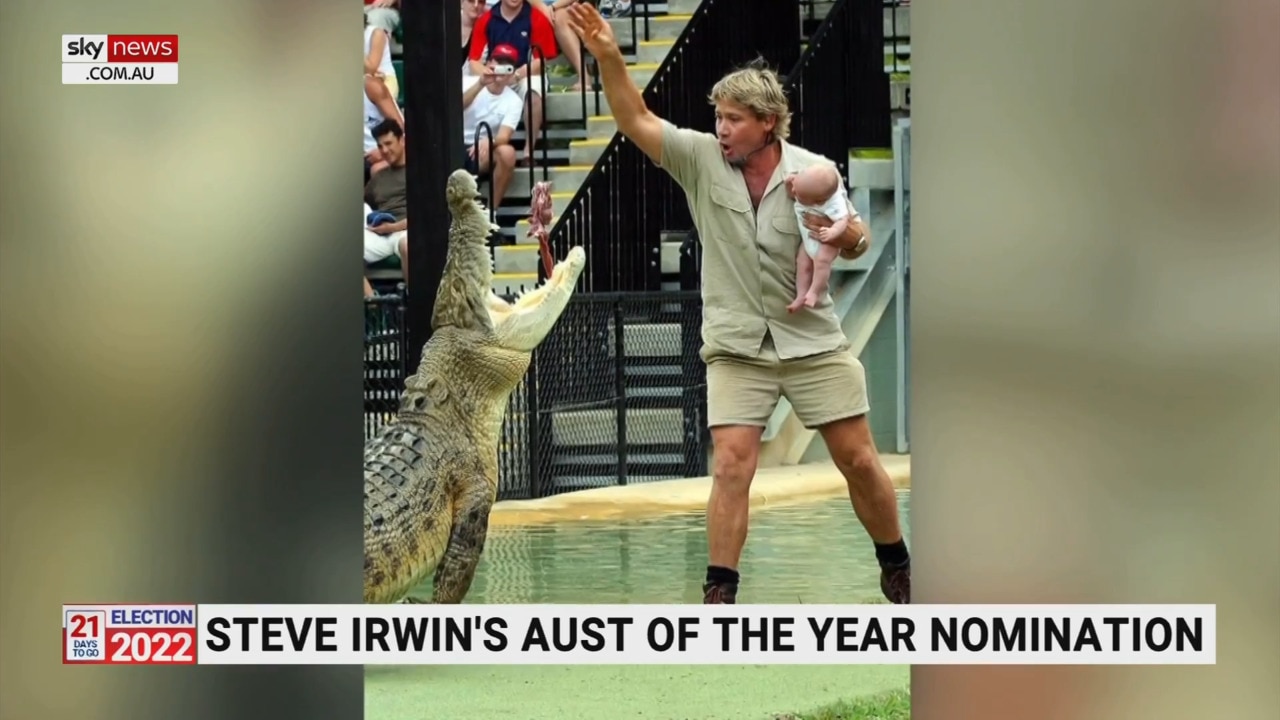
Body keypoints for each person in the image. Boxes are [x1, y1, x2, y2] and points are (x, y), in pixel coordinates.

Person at [563, 3, 911, 605]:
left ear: (768, 122)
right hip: (736, 346)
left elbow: (857, 238)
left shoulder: (814, 171)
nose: (721, 128)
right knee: (730, 464)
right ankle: (719, 593)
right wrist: (609, 57)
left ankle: (897, 564)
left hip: (811, 340)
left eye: (734, 119)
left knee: (857, 458)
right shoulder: (699, 158)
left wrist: (844, 237)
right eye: (718, 117)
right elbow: (634, 117)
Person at [462, 44, 524, 209]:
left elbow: (505, 135)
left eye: (507, 65)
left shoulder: (514, 101)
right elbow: (455, 108)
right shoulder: (467, 81)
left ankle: (491, 213)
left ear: (511, 72)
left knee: (507, 153)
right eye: (498, 63)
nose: (501, 69)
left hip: (480, 150)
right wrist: (480, 84)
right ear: (489, 64)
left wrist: (490, 141)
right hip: (454, 142)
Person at [785, 163, 849, 312]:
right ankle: (801, 294)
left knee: (822, 262)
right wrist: (790, 184)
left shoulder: (834, 202)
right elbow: (791, 194)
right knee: (802, 263)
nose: (794, 192)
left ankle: (814, 291)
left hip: (827, 241)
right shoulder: (804, 185)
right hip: (809, 237)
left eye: (798, 193)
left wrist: (833, 232)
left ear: (819, 201)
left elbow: (842, 220)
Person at [363, 119, 409, 283]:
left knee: (408, 246)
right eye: (380, 146)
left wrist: (394, 227)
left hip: (407, 231)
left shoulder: (418, 171)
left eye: (389, 143)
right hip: (382, 233)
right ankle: (372, 301)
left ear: (402, 140)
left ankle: (416, 305)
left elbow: (428, 215)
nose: (385, 150)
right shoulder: (379, 177)